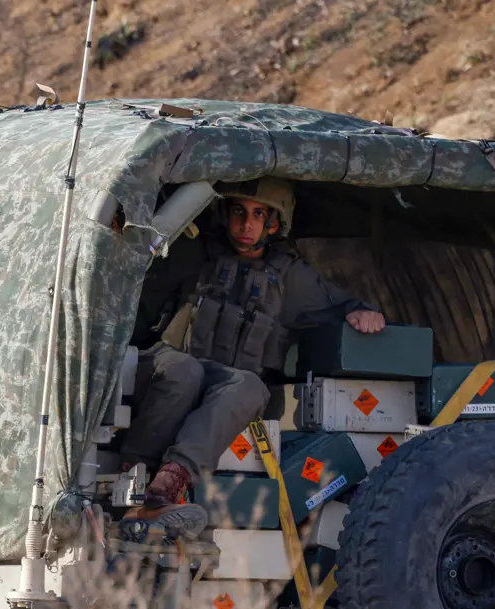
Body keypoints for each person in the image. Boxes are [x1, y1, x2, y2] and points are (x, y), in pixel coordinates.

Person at [122, 178, 386, 517]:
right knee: (184, 371)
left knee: (250, 385)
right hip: (168, 363)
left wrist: (361, 311)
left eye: (259, 214)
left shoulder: (290, 277)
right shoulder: (192, 251)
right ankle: (134, 469)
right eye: (239, 212)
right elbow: (136, 295)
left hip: (226, 381)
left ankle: (173, 480)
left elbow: (341, 303)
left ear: (275, 223)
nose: (247, 225)